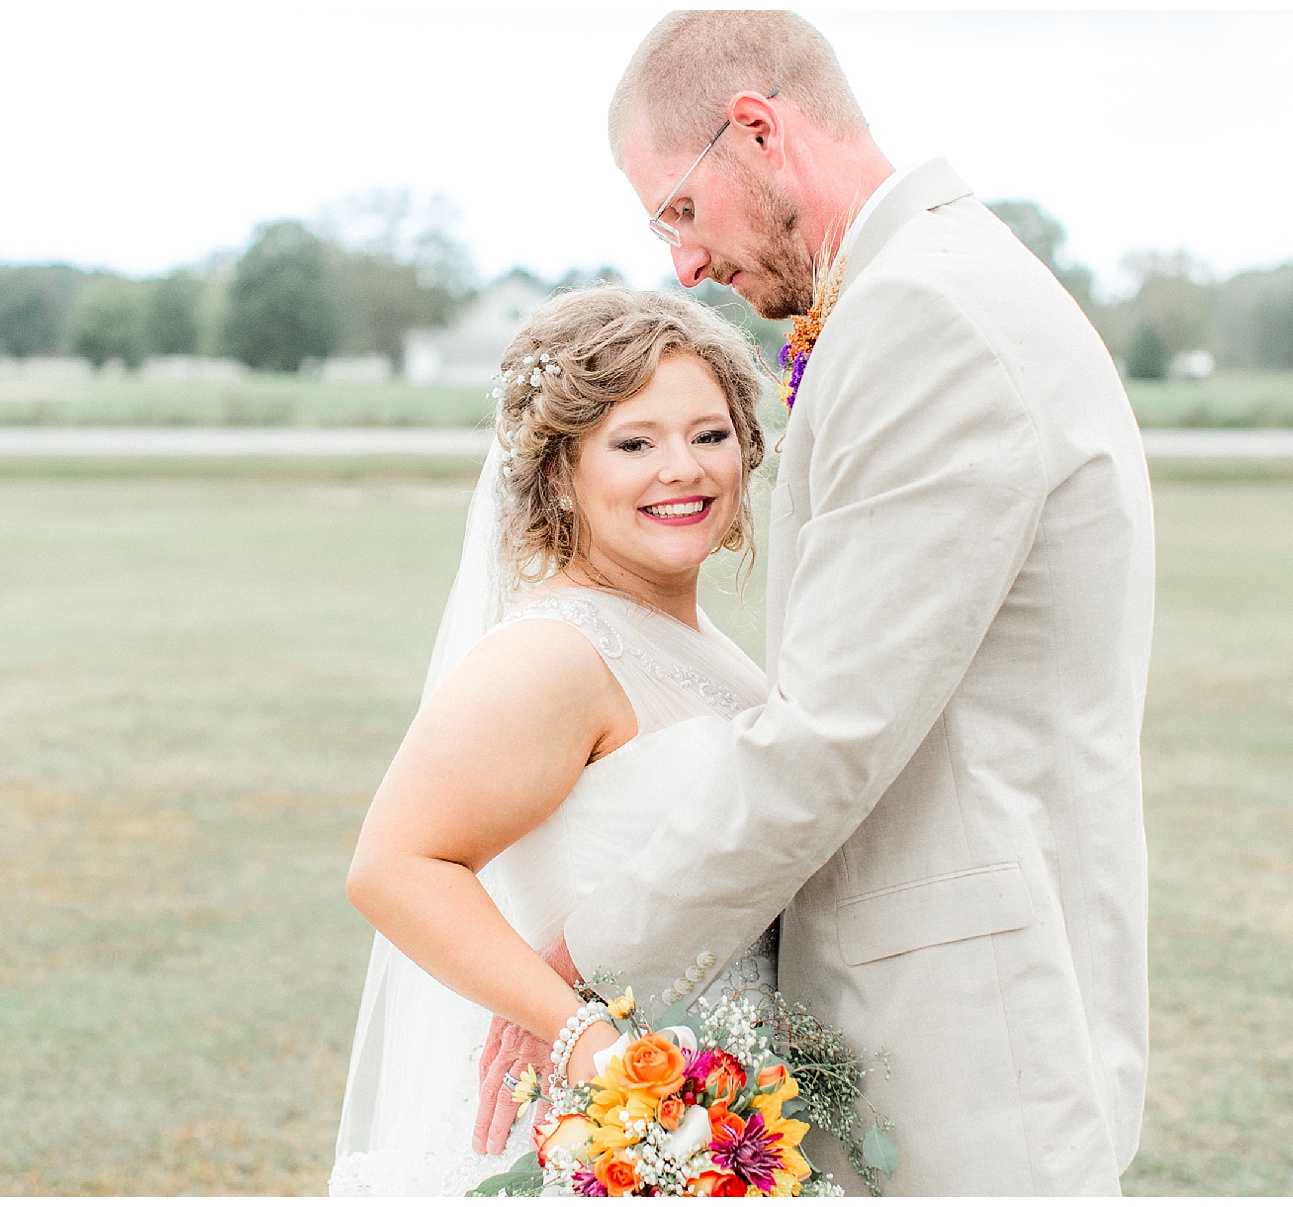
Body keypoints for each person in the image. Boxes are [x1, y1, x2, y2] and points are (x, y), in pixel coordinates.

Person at [474, 11, 1156, 1195]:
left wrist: (583, 965)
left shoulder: (923, 316)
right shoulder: (938, 284)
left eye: (680, 210)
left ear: (757, 131)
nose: (682, 265)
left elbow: (830, 731)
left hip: (966, 1031)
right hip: (966, 1004)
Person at [328, 286, 781, 1195]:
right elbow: (395, 865)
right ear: (561, 472)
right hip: (601, 1132)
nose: (682, 469)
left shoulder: (701, 645)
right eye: (634, 443)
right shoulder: (556, 651)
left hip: (720, 1124)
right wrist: (584, 1039)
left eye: (709, 433)